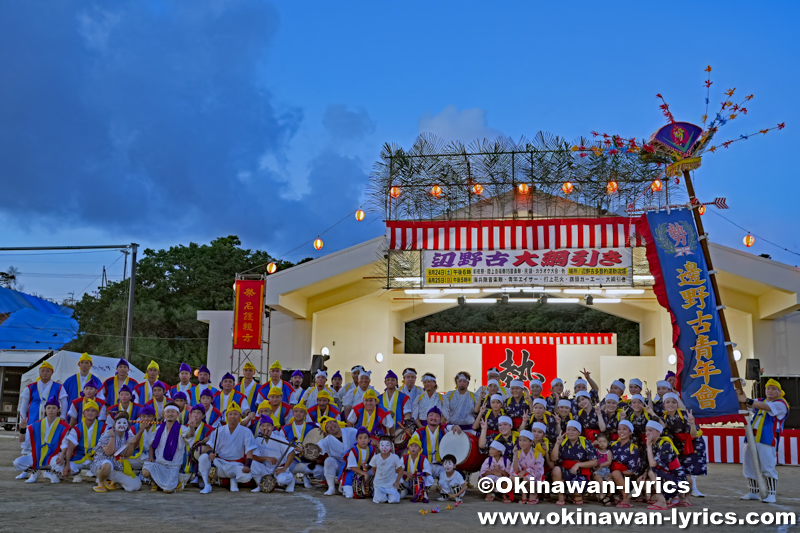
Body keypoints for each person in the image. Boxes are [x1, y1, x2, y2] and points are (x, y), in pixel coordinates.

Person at [739, 378, 790, 503]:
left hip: (767, 438)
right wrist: (739, 388)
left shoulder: (781, 404)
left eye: (774, 389)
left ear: (779, 392)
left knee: (768, 466)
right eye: (768, 388)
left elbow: (764, 407)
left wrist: (746, 400)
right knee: (749, 465)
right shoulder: (760, 400)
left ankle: (771, 494)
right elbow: (745, 403)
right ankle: (753, 492)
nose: (770, 391)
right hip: (751, 437)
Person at [198, 404, 257, 494]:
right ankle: (207, 485)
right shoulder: (219, 430)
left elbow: (249, 451)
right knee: (203, 458)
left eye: (235, 414)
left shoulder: (246, 431)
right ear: (226, 416)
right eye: (230, 414)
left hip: (236, 465)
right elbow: (209, 447)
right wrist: (210, 453)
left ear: (240, 416)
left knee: (246, 477)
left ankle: (234, 480)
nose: (233, 416)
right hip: (220, 464)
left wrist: (247, 466)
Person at [657, 392, 706, 499]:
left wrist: (692, 423)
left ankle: (686, 498)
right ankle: (678, 496)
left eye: (673, 402)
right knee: (677, 471)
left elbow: (693, 434)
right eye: (668, 402)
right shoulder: (663, 418)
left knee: (688, 472)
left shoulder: (684, 415)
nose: (670, 404)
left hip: (691, 445)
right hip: (676, 446)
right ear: (664, 405)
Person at [14, 397, 71, 483]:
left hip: (53, 454)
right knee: (17, 463)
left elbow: (64, 444)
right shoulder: (35, 425)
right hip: (37, 454)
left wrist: (62, 455)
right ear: (45, 410)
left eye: (53, 408)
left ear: (58, 410)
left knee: (59, 465)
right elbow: (22, 440)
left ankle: (52, 473)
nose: (51, 410)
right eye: (48, 408)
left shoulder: (64, 426)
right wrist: (22, 429)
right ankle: (35, 472)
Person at [51, 398, 105, 482]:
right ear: (83, 413)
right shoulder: (76, 428)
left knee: (107, 466)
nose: (90, 413)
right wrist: (67, 464)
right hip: (79, 457)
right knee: (67, 469)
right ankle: (77, 473)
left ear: (97, 413)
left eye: (93, 411)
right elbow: (70, 448)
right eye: (87, 410)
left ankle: (100, 475)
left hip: (97, 457)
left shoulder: (105, 427)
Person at [89, 411, 143, 492]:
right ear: (114, 424)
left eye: (124, 423)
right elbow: (108, 452)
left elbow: (127, 454)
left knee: (135, 486)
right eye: (119, 422)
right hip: (102, 463)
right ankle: (101, 482)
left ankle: (114, 482)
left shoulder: (129, 435)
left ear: (128, 425)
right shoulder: (107, 434)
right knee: (107, 464)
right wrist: (113, 437)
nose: (122, 425)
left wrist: (131, 444)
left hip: (118, 466)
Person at [142, 403, 189, 493]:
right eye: (168, 412)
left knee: (167, 490)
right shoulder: (159, 429)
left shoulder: (182, 429)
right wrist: (151, 457)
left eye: (173, 412)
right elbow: (151, 444)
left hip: (173, 466)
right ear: (164, 414)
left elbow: (189, 435)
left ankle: (176, 479)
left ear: (177, 414)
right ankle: (155, 482)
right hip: (159, 463)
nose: (170, 414)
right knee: (145, 472)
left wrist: (191, 427)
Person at [550, 420, 598, 505]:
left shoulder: (586, 443)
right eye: (568, 430)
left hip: (579, 471)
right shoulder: (563, 442)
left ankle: (575, 496)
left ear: (579, 432)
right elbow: (553, 459)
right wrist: (557, 444)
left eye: (574, 430)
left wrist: (578, 464)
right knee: (556, 470)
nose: (570, 432)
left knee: (577, 491)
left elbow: (594, 462)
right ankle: (561, 495)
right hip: (565, 470)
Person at [644, 420, 687, 510]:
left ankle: (662, 501)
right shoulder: (654, 444)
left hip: (678, 481)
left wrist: (648, 446)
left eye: (650, 430)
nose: (647, 433)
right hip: (670, 478)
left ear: (658, 432)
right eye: (646, 430)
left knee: (652, 472)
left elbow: (652, 464)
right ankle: (669, 497)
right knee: (644, 478)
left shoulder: (665, 444)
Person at [250, 415, 296, 493]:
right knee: (253, 464)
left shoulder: (279, 439)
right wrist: (266, 458)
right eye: (263, 426)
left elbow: (291, 452)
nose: (265, 428)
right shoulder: (257, 440)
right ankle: (260, 485)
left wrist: (284, 468)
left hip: (279, 469)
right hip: (266, 468)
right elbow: (254, 457)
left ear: (272, 427)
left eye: (268, 425)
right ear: (260, 428)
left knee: (281, 480)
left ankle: (291, 481)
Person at [282, 401, 324, 488]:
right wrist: (292, 450)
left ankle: (306, 476)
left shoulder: (313, 427)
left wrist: (323, 429)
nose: (298, 414)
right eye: (296, 411)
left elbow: (326, 427)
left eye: (301, 412)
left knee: (321, 471)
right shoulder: (284, 429)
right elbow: (281, 447)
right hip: (292, 461)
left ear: (305, 414)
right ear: (293, 413)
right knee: (282, 473)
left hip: (307, 461)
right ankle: (292, 477)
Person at [415, 406, 462, 479]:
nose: (433, 418)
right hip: (424, 465)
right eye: (431, 415)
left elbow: (451, 427)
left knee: (451, 480)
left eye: (437, 416)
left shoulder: (444, 429)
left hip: (441, 465)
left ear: (440, 419)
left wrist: (455, 426)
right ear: (426, 418)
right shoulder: (418, 433)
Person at [317, 416, 359, 495]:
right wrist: (305, 449)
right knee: (329, 460)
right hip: (340, 467)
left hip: (357, 465)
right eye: (327, 427)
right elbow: (317, 447)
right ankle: (331, 487)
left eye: (331, 422)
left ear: (336, 422)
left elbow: (366, 439)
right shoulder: (327, 440)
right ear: (327, 432)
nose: (331, 426)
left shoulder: (352, 431)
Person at [610, 420, 644, 509]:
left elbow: (633, 471)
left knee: (616, 473)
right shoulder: (612, 444)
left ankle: (626, 499)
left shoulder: (633, 448)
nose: (621, 431)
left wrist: (614, 474)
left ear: (630, 432)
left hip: (627, 479)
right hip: (611, 475)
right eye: (619, 429)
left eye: (624, 429)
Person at [181, 404, 214, 488]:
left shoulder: (209, 429)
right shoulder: (184, 428)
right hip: (185, 456)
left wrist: (210, 438)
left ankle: (200, 476)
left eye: (198, 413)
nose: (195, 414)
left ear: (203, 416)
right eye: (193, 412)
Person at [340, 426, 375, 498]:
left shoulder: (371, 449)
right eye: (360, 438)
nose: (363, 440)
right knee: (350, 496)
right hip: (352, 473)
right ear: (357, 440)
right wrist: (364, 474)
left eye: (365, 438)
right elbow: (352, 467)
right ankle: (343, 486)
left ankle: (371, 487)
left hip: (364, 471)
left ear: (369, 440)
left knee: (376, 471)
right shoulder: (353, 450)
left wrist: (367, 467)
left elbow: (373, 464)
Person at [368, 435, 404, 504]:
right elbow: (373, 469)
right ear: (378, 445)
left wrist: (397, 482)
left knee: (394, 500)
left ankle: (392, 494)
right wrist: (377, 479)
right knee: (381, 500)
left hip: (391, 485)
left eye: (387, 445)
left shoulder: (395, 457)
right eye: (382, 445)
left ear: (391, 446)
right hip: (379, 485)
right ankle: (379, 493)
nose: (384, 447)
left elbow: (400, 470)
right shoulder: (375, 457)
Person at [512, 429, 544, 505]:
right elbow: (515, 470)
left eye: (524, 441)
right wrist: (515, 456)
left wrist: (526, 471)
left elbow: (539, 471)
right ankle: (524, 495)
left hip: (533, 475)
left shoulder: (537, 454)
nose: (521, 443)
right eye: (520, 440)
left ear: (531, 442)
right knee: (514, 476)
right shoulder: (518, 453)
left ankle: (533, 494)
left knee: (526, 478)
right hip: (521, 474)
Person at [399, 433, 433, 501]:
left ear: (420, 449)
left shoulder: (423, 459)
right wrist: (406, 473)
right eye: (411, 446)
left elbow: (429, 472)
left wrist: (419, 474)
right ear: (408, 448)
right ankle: (403, 490)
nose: (413, 448)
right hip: (407, 481)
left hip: (419, 482)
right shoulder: (404, 458)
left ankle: (422, 492)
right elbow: (398, 470)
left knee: (430, 478)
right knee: (396, 475)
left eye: (416, 446)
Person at [592, 432, 614, 506]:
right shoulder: (596, 450)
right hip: (597, 471)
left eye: (604, 442)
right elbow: (588, 450)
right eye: (600, 442)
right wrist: (592, 444)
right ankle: (601, 496)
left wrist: (601, 465)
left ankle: (608, 497)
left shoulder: (608, 452)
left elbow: (609, 461)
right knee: (600, 480)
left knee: (611, 483)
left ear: (608, 443)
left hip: (605, 470)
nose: (602, 444)